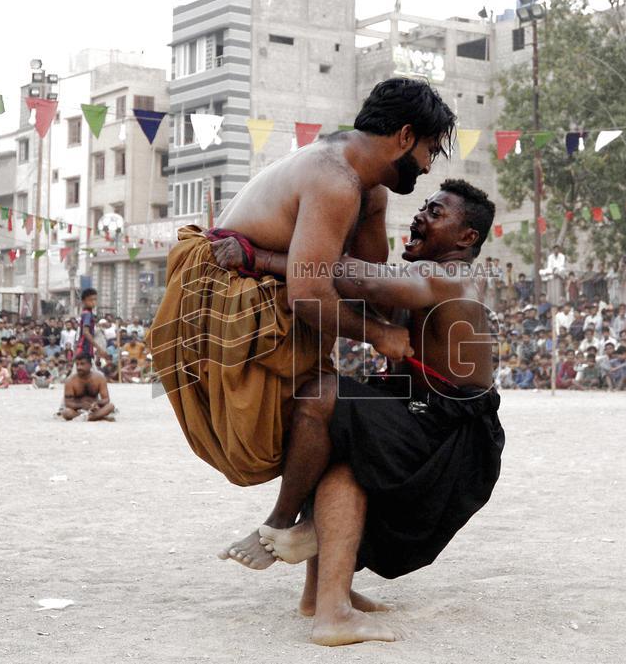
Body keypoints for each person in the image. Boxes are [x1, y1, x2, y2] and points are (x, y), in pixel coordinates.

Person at [214, 179, 503, 646]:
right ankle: (324, 598)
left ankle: (282, 525)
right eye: (423, 207)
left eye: (436, 212)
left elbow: (359, 278)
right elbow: (348, 281)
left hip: (452, 437)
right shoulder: (421, 279)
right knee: (338, 443)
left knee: (323, 397)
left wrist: (259, 257)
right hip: (419, 411)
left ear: (466, 237)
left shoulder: (451, 277)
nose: (421, 216)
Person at [149, 77, 453, 488]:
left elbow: (365, 279)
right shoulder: (335, 179)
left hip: (266, 289)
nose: (428, 166)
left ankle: (302, 523)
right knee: (328, 419)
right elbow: (310, 295)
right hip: (225, 302)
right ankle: (286, 521)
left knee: (339, 423)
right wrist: (379, 334)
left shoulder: (366, 189)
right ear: (405, 136)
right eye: (429, 150)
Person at [60, 354, 116, 421]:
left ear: (90, 365)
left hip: (94, 409)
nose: (79, 367)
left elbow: (106, 399)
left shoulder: (100, 378)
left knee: (111, 406)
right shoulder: (70, 381)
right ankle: (98, 418)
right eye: (77, 364)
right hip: (77, 410)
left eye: (82, 364)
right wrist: (81, 405)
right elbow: (68, 403)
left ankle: (88, 417)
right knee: (66, 412)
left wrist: (97, 403)